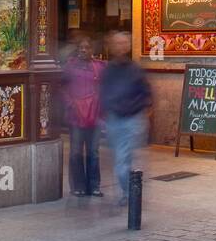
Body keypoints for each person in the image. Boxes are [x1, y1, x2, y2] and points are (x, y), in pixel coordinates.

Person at [99, 31, 152, 204]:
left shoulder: (135, 69)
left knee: (127, 157)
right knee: (122, 158)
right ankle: (130, 191)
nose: (121, 47)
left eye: (124, 43)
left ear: (128, 46)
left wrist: (143, 111)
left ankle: (131, 194)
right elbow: (103, 92)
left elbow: (146, 92)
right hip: (115, 119)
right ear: (112, 47)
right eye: (117, 43)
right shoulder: (108, 70)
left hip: (133, 119)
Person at [60, 35, 103, 197]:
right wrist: (70, 103)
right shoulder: (69, 67)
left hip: (95, 115)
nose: (83, 50)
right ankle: (78, 186)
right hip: (76, 116)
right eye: (81, 48)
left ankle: (94, 185)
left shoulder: (99, 67)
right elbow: (62, 87)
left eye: (87, 48)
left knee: (93, 151)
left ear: (92, 50)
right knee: (76, 151)